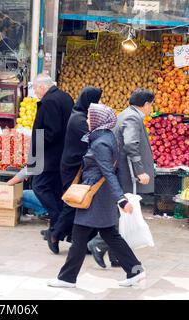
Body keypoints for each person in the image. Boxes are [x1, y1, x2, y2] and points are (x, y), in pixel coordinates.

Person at [47, 103, 145, 289]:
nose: (86, 120)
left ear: (98, 120)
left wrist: (121, 199)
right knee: (110, 234)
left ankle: (67, 278)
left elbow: (108, 171)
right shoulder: (107, 137)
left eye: (90, 117)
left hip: (95, 197)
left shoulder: (100, 143)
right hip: (101, 195)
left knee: (79, 238)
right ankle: (135, 270)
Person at [87, 88, 155, 268]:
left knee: (121, 211)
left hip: (122, 171)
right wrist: (140, 170)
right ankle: (99, 244)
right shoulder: (133, 118)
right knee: (124, 211)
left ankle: (115, 256)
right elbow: (131, 144)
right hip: (126, 172)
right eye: (150, 105)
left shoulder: (126, 113)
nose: (150, 108)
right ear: (146, 104)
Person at [45, 87, 102, 254]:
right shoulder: (79, 120)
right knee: (73, 202)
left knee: (83, 203)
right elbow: (92, 140)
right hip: (72, 167)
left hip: (79, 166)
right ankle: (55, 234)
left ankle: (80, 241)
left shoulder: (81, 115)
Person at [28, 74, 74, 249]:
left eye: (35, 89)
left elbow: (51, 132)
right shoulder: (64, 96)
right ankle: (56, 228)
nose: (35, 93)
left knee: (39, 186)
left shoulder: (49, 101)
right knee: (55, 191)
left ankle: (57, 220)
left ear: (42, 87)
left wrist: (35, 149)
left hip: (49, 156)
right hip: (61, 155)